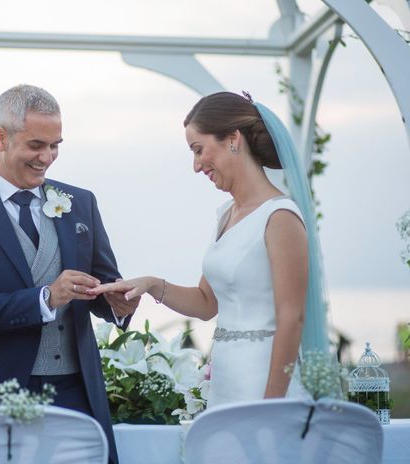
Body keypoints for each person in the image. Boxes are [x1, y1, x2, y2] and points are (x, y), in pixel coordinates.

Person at [0, 84, 138, 463]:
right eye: (36, 145)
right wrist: (46, 298)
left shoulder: (81, 203)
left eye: (55, 145)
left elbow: (104, 284)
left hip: (78, 392)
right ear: (1, 138)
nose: (47, 157)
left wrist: (119, 305)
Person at [91, 91, 330, 408]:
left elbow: (292, 318)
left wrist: (271, 407)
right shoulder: (225, 216)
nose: (195, 165)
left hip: (266, 387)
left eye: (198, 149)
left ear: (233, 139)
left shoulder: (280, 217)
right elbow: (206, 304)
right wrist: (150, 284)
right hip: (225, 383)